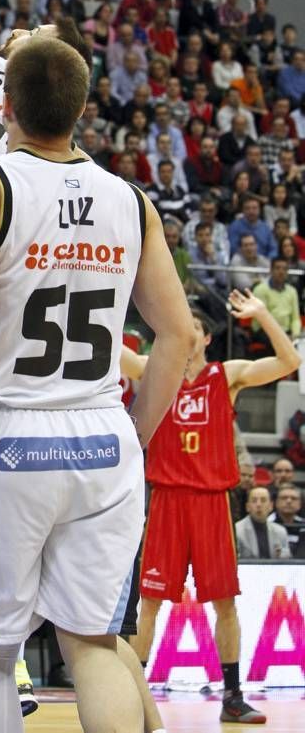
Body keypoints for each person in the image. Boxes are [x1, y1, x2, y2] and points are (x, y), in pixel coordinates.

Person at [0, 34, 195, 733]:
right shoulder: (131, 198)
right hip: (101, 433)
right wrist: (133, 436)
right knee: (92, 642)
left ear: (4, 102)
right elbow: (178, 335)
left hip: (8, 435)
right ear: (84, 108)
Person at [130, 290, 301, 723]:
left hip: (211, 503)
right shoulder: (154, 370)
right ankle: (133, 695)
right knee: (149, 604)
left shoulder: (226, 376)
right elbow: (109, 353)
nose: (184, 330)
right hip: (167, 500)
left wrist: (261, 314)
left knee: (224, 602)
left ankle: (232, 696)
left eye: (193, 326)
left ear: (206, 338)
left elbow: (289, 363)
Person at [235, 486, 291, 559]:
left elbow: (287, 558)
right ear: (247, 507)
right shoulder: (237, 530)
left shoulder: (280, 531)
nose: (259, 505)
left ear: (271, 506)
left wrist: (280, 555)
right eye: (254, 501)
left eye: (263, 500)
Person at [271, 484, 305, 558]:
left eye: (294, 498)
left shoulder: (303, 525)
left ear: (300, 504)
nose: (289, 501)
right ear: (276, 503)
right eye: (284, 498)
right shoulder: (267, 524)